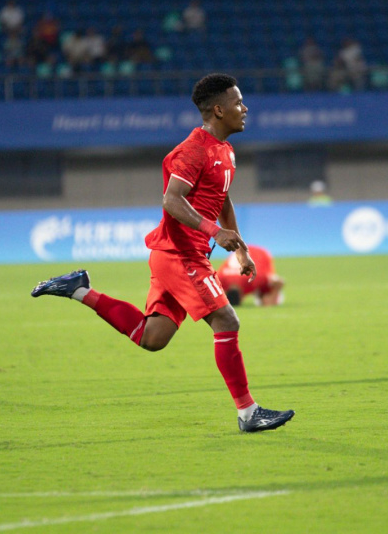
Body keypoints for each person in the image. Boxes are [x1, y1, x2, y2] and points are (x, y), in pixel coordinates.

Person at [31, 73, 295, 434]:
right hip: (180, 254)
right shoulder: (193, 150)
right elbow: (172, 200)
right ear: (218, 110)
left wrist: (242, 252)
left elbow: (222, 199)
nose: (244, 108)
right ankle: (249, 413)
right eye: (237, 102)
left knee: (151, 337)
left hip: (181, 253)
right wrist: (213, 231)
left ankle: (79, 288)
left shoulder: (225, 150)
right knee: (227, 321)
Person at [217, 245, 285, 307]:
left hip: (260, 254)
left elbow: (278, 282)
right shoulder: (219, 278)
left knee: (271, 301)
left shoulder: (254, 278)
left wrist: (274, 291)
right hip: (241, 249)